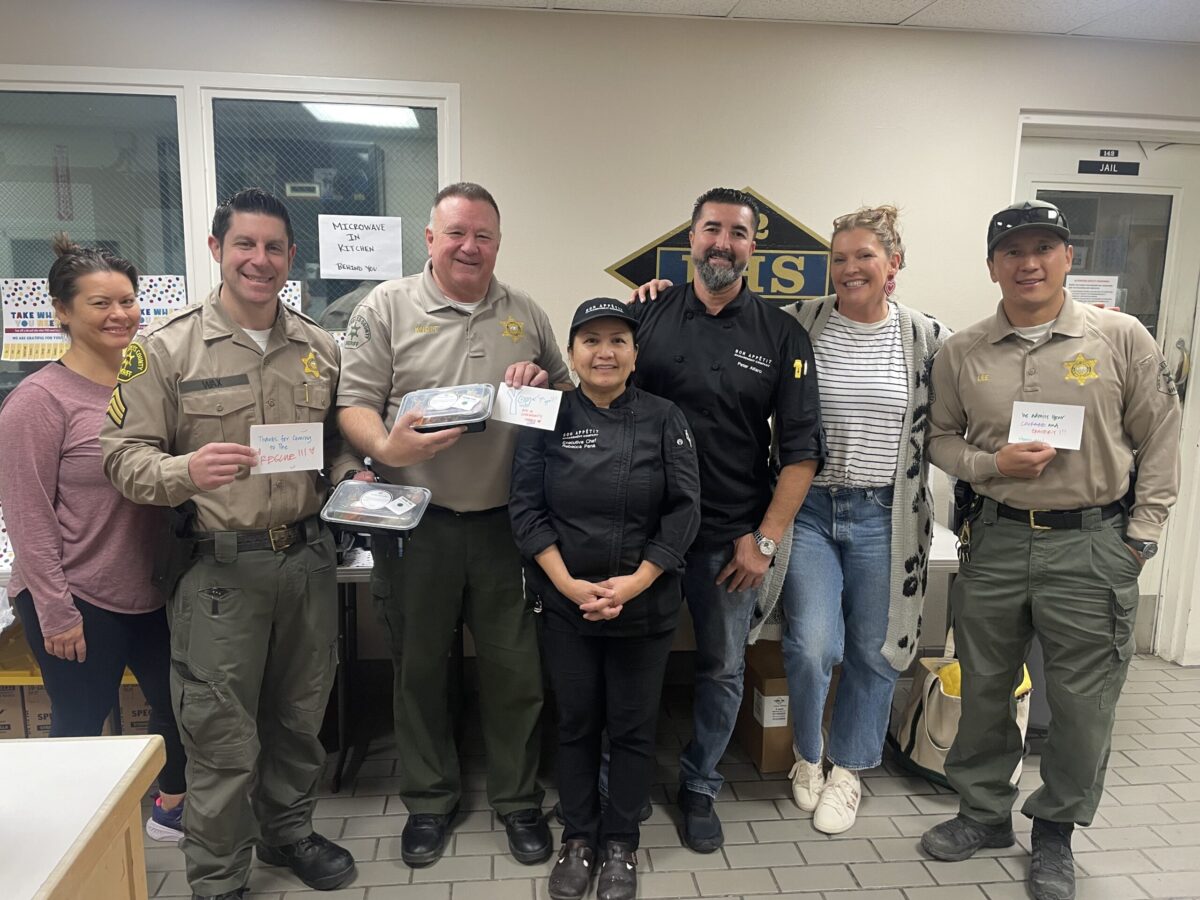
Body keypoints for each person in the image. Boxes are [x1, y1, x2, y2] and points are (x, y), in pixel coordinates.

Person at [100, 189, 362, 900]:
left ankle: (289, 832)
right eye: (245, 244)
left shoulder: (319, 348)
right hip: (220, 575)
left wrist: (354, 479)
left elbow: (333, 446)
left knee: (300, 717)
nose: (260, 259)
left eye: (274, 247)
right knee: (220, 739)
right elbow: (120, 457)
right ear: (217, 249)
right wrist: (186, 470)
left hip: (307, 562)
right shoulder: (164, 349)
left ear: (290, 258)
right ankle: (218, 879)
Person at [920, 200, 1181, 900]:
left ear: (1068, 258)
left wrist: (1143, 536)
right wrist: (989, 465)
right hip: (997, 541)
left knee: (1083, 705)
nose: (1027, 262)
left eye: (1043, 247)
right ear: (992, 266)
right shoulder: (962, 351)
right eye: (1012, 251)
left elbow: (1160, 437)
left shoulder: (1121, 337)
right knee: (982, 691)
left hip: (1093, 546)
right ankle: (982, 814)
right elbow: (940, 437)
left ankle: (1056, 832)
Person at [336, 182, 571, 869]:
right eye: (456, 233)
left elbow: (564, 397)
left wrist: (540, 386)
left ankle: (517, 801)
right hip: (417, 524)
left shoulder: (524, 311)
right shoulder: (386, 307)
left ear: (499, 242)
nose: (471, 246)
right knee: (419, 670)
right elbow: (353, 403)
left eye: (485, 235)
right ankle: (430, 802)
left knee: (514, 671)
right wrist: (385, 449)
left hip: (507, 527)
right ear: (430, 239)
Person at [628, 187, 824, 853]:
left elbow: (802, 452)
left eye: (737, 233)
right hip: (643, 530)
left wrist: (765, 539)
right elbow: (599, 398)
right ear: (691, 238)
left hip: (730, 537)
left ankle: (700, 784)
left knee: (721, 668)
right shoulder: (644, 315)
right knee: (631, 662)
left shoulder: (781, 334)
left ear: (752, 248)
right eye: (712, 228)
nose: (723, 242)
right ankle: (616, 777)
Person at [510, 299, 701, 900]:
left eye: (617, 340)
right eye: (590, 340)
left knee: (633, 726)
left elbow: (684, 509)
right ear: (570, 353)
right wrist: (567, 584)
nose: (605, 352)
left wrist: (637, 581)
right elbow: (525, 507)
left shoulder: (667, 417)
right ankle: (579, 838)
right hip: (566, 601)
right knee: (575, 723)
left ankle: (621, 843)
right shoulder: (545, 414)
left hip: (643, 602)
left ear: (635, 353)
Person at [0, 235, 188, 841]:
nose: (119, 315)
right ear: (61, 311)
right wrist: (56, 613)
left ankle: (171, 808)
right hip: (76, 595)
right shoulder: (38, 402)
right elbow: (27, 516)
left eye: (128, 301)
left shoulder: (148, 384)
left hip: (152, 587)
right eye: (99, 304)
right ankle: (68, 843)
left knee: (178, 708)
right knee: (81, 722)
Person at [774, 206, 947, 834]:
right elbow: (728, 330)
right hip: (811, 508)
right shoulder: (801, 323)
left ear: (893, 264)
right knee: (813, 643)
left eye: (864, 256)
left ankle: (848, 769)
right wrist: (657, 298)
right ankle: (808, 754)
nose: (849, 269)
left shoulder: (928, 338)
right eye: (839, 258)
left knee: (877, 650)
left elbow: (971, 397)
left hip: (888, 515)